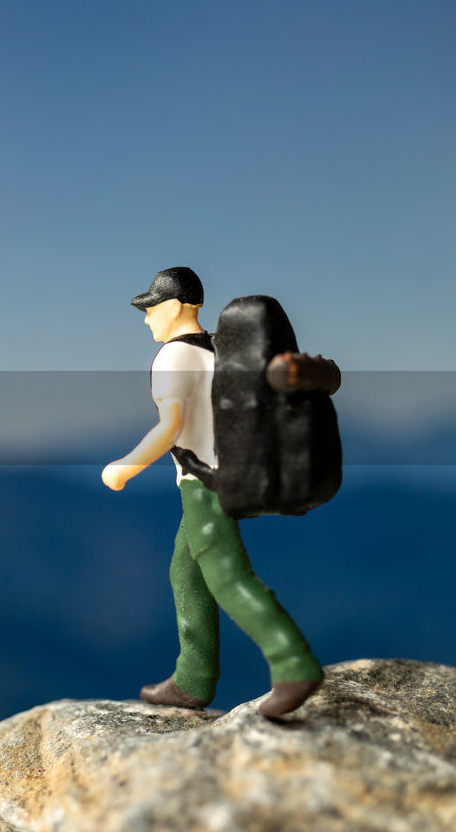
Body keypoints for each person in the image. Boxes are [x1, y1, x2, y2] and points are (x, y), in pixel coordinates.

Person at [101, 267, 323, 717]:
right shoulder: (221, 347)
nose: (147, 319)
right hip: (234, 473)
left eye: (152, 309)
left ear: (179, 306)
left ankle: (293, 663)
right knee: (185, 571)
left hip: (204, 484)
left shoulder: (174, 357)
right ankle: (192, 680)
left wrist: (123, 469)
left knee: (227, 575)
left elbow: (170, 427)